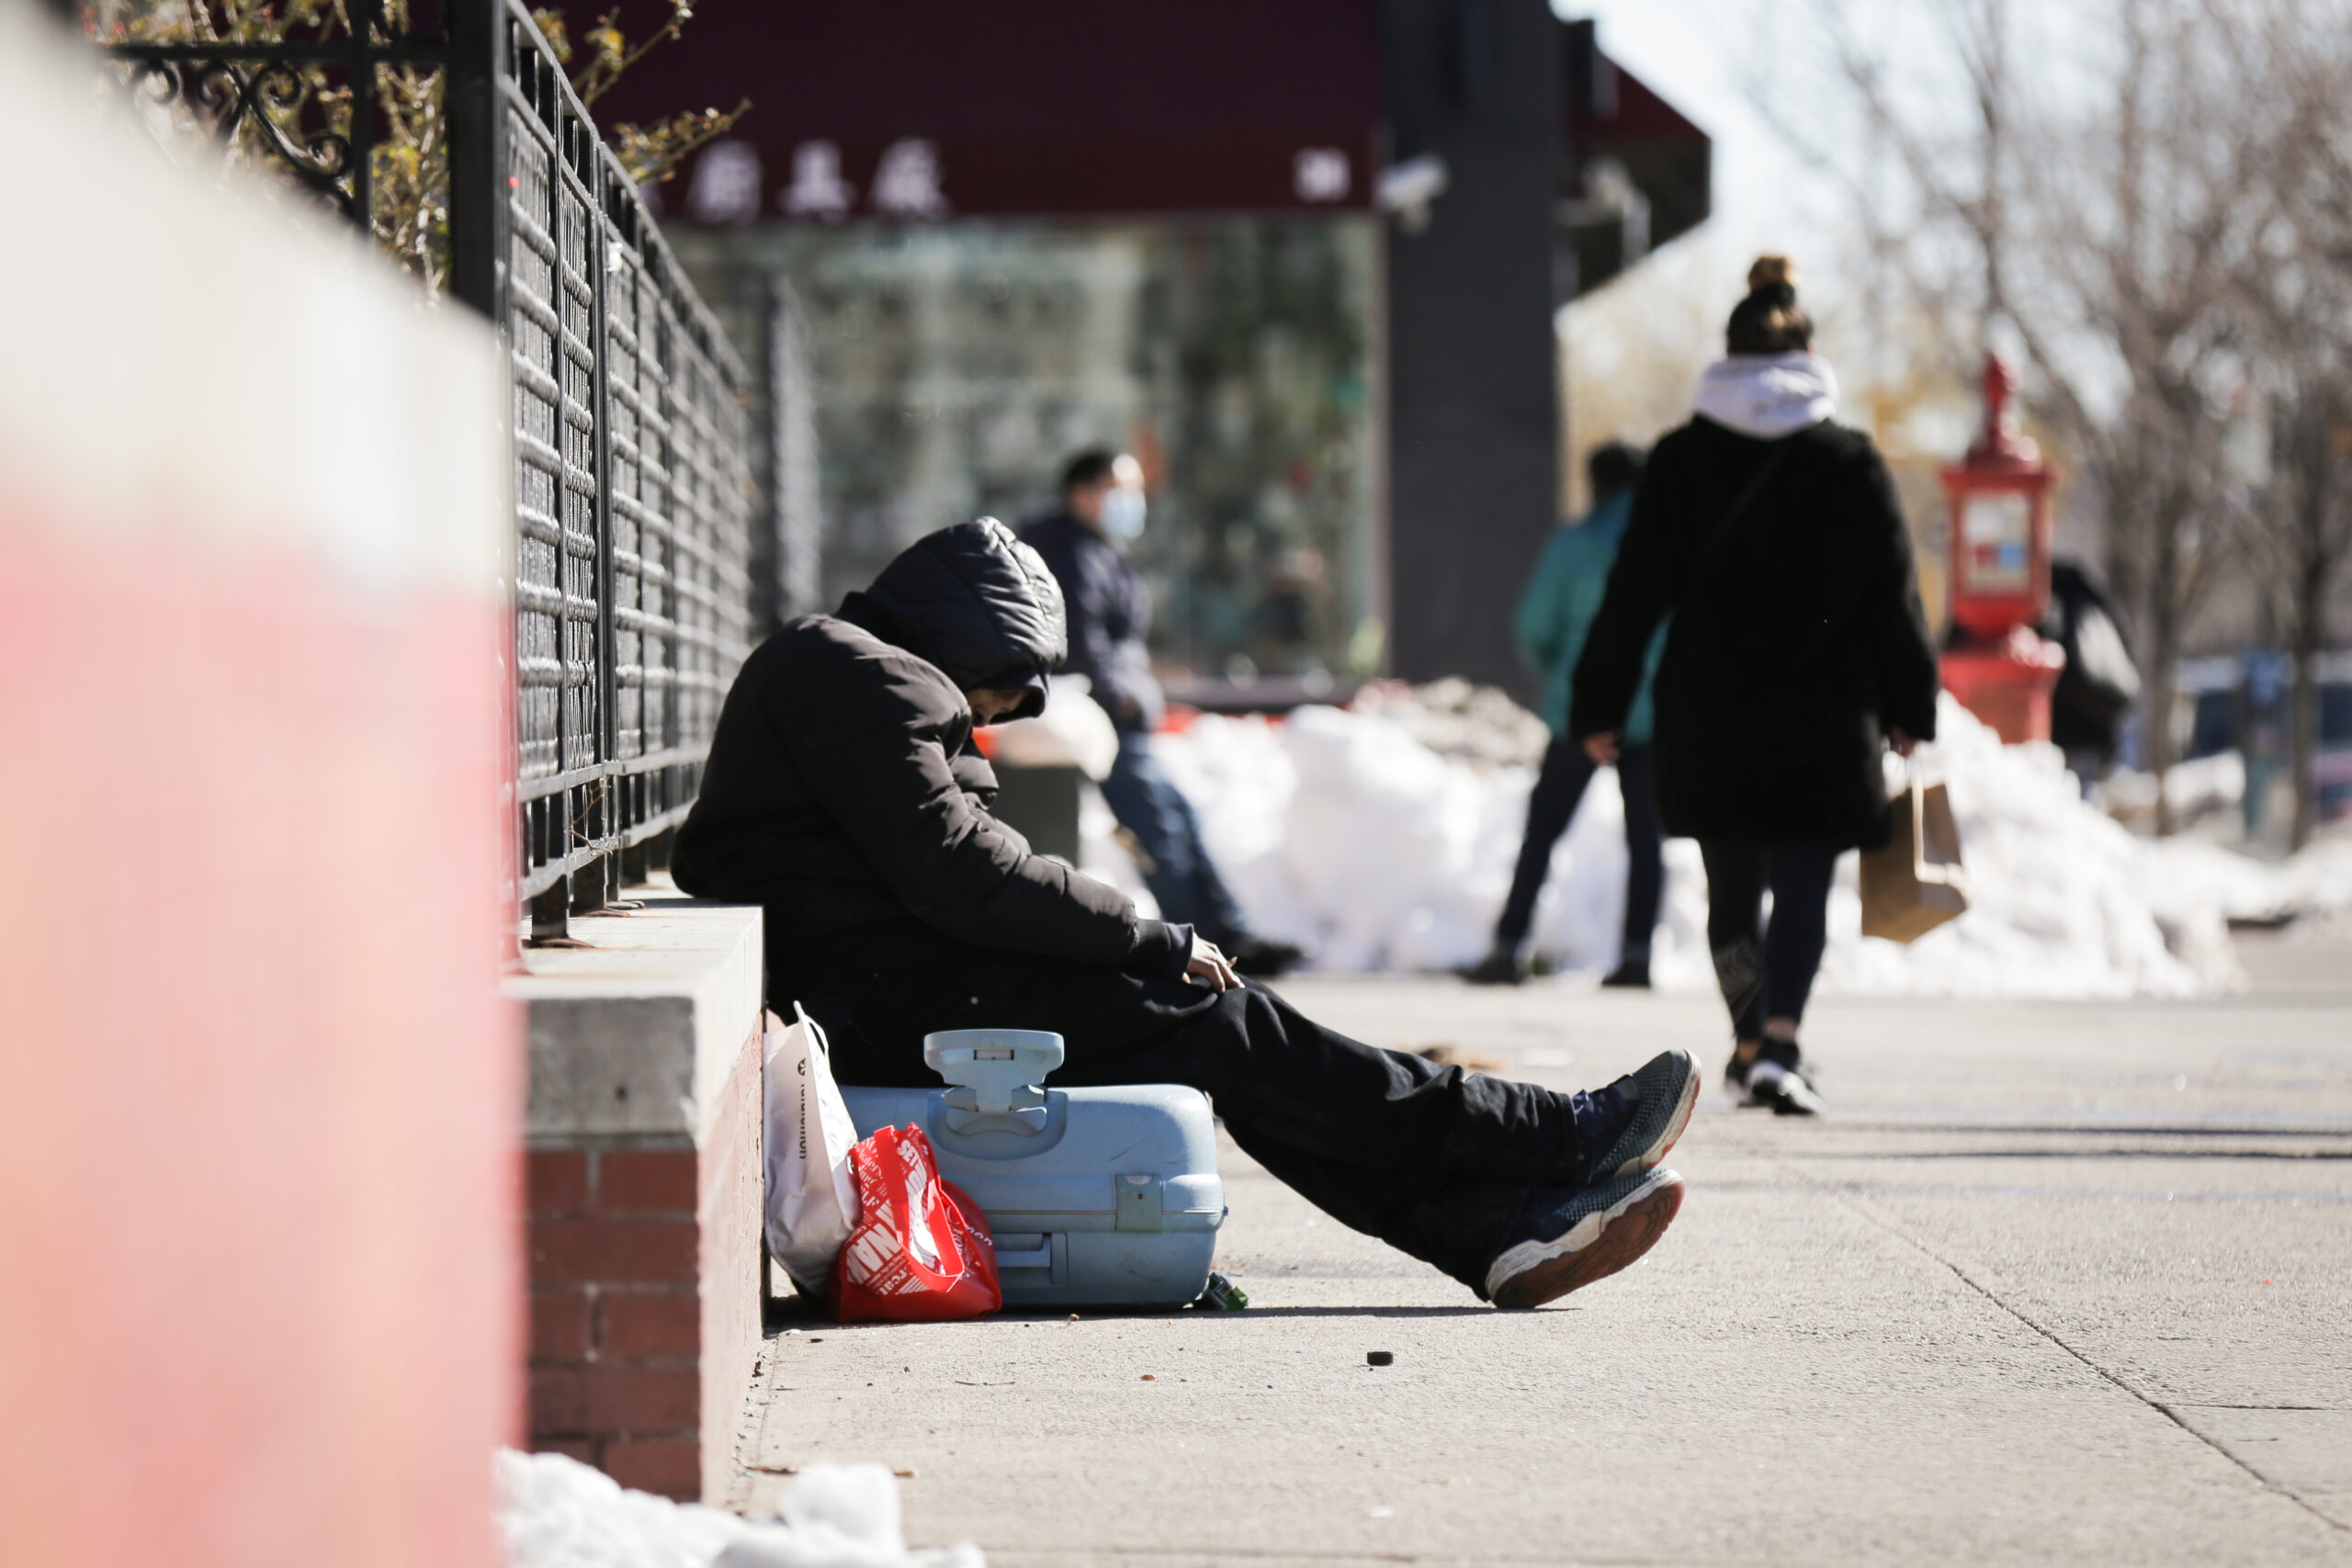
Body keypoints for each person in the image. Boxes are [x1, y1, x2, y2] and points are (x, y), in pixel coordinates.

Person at [672, 518, 1700, 1306]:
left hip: (892, 978)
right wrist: (1148, 936)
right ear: (968, 644)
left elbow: (951, 869)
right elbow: (962, 869)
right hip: (880, 999)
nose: (993, 718)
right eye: (998, 694)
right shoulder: (859, 676)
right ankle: (1543, 1139)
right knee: (1222, 1026)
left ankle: (1488, 1234)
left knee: (1226, 1039)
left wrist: (1135, 944)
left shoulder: (849, 670)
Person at [1570, 257, 1940, 1116]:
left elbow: (1633, 595)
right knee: (1806, 882)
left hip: (1712, 715)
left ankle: (1745, 1041)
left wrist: (1598, 705)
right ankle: (1782, 1038)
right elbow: (1896, 594)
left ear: (1727, 357)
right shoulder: (1850, 463)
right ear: (1809, 356)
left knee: (1731, 891)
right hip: (1826, 712)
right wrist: (1909, 705)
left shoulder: (1680, 460)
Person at [1023, 449, 1300, 976]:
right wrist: (1121, 694)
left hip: (1120, 718)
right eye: (1118, 489)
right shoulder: (1070, 552)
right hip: (1101, 718)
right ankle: (1198, 940)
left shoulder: (1098, 549)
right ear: (1082, 493)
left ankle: (1224, 932)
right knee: (1157, 832)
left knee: (1178, 819)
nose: (1133, 502)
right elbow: (1080, 639)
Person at [1468, 442, 1666, 988]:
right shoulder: (1665, 544)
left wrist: (1559, 677)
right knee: (1646, 839)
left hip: (1580, 711)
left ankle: (1508, 947)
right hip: (1650, 715)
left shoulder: (1575, 544)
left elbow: (1534, 626)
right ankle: (1637, 955)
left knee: (1543, 831)